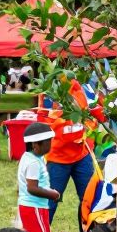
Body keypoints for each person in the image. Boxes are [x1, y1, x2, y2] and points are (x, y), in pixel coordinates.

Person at [41, 78, 100, 223]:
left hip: (81, 155)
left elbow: (91, 117)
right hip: (58, 158)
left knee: (88, 198)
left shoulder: (81, 92)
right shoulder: (51, 93)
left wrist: (89, 126)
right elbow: (45, 123)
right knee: (51, 200)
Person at [17, 122, 59, 232]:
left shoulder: (30, 157)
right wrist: (53, 194)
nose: (50, 144)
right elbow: (32, 188)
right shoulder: (34, 163)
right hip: (34, 208)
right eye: (48, 142)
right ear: (35, 145)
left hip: (33, 207)